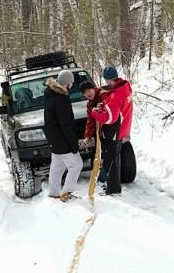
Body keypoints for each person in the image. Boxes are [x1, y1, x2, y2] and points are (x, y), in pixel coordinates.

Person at [89, 65, 133, 195]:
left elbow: (109, 119)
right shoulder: (125, 89)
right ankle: (114, 186)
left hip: (114, 132)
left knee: (110, 162)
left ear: (106, 79)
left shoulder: (116, 96)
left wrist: (94, 113)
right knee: (115, 159)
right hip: (123, 129)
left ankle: (113, 189)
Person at [43, 69, 82, 201]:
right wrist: (73, 143)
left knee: (57, 167)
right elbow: (66, 124)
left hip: (54, 138)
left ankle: (54, 192)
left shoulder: (51, 94)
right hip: (62, 139)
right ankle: (67, 192)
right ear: (68, 84)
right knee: (76, 165)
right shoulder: (61, 99)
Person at [79, 80, 108, 185]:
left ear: (94, 88)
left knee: (110, 153)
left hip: (110, 129)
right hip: (100, 132)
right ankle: (104, 176)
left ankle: (104, 178)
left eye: (89, 90)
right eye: (85, 93)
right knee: (103, 153)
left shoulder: (103, 95)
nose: (88, 94)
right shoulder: (89, 104)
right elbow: (90, 120)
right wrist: (87, 136)